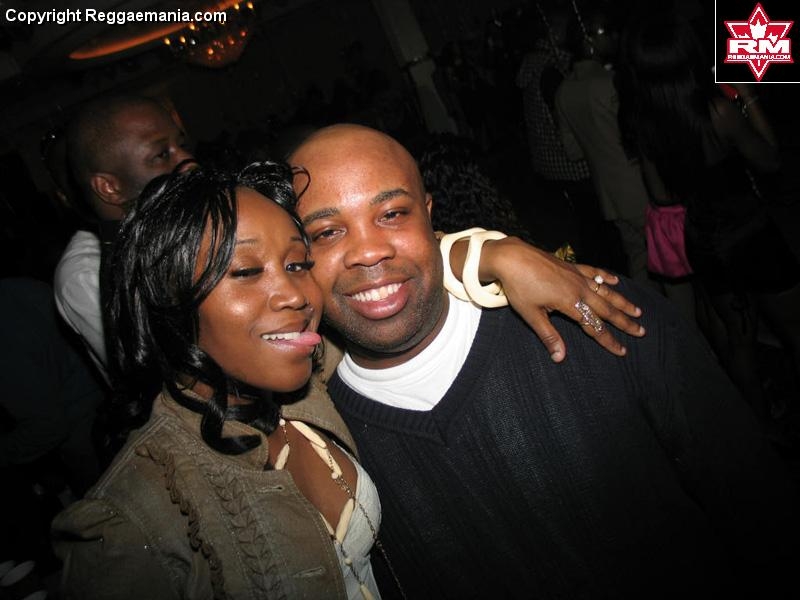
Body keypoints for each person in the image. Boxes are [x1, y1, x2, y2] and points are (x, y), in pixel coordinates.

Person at [288, 123, 798, 599]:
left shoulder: (593, 316)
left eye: (392, 214)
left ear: (429, 215)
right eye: (326, 232)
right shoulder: (320, 454)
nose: (368, 251)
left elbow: (758, 503)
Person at [52, 162, 384, 599]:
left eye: (298, 264)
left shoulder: (311, 373)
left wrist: (466, 254)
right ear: (167, 297)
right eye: (246, 272)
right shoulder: (131, 523)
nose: (296, 295)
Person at [615, 14, 800, 416]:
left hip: (704, 239)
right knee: (793, 327)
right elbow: (770, 160)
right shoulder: (718, 111)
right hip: (751, 233)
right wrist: (747, 96)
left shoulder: (645, 124)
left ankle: (758, 427)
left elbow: (661, 196)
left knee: (739, 341)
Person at [53, 94, 193, 381]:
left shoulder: (176, 231)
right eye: (161, 155)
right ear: (109, 187)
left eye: (181, 145)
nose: (188, 162)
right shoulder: (89, 273)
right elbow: (161, 380)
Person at [555, 6, 650, 285]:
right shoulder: (610, 83)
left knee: (639, 262)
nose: (613, 37)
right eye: (606, 32)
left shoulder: (563, 92)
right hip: (641, 188)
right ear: (590, 40)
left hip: (608, 196)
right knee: (671, 264)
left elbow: (573, 151)